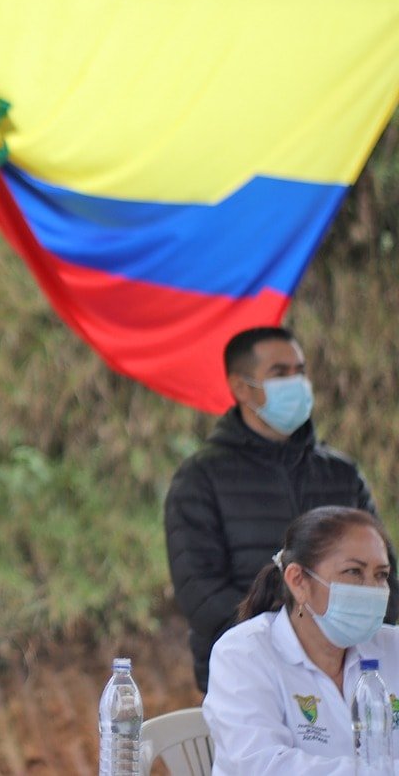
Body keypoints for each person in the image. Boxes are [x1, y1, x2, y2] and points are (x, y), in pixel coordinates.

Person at [164, 325, 387, 693]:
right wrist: (290, 642)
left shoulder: (341, 475)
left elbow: (384, 573)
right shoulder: (200, 479)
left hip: (349, 673)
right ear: (241, 387)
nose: (295, 382)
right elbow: (199, 592)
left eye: (300, 371)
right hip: (248, 676)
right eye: (280, 373)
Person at [204, 506, 399, 774]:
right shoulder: (242, 654)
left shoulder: (393, 647)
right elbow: (262, 766)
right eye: (354, 572)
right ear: (298, 581)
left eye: (381, 575)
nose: (373, 589)